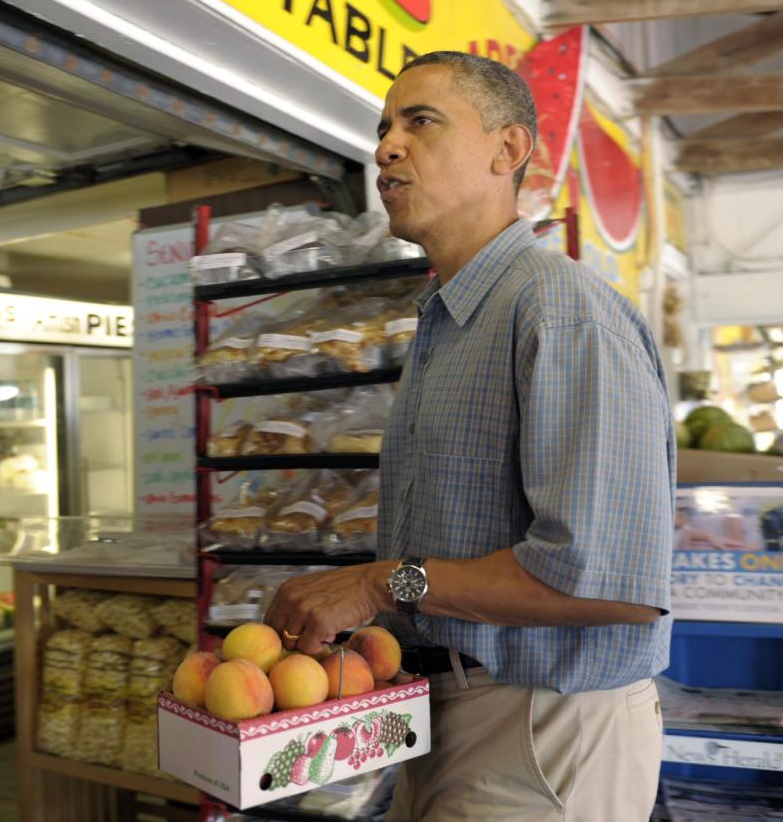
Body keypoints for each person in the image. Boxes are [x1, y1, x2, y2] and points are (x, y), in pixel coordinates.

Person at [264, 51, 674, 821]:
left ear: (508, 150)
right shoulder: (448, 320)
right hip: (442, 711)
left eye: (421, 122)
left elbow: (613, 583)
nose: (387, 147)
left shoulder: (559, 313)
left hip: (542, 722)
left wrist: (382, 582)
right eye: (384, 128)